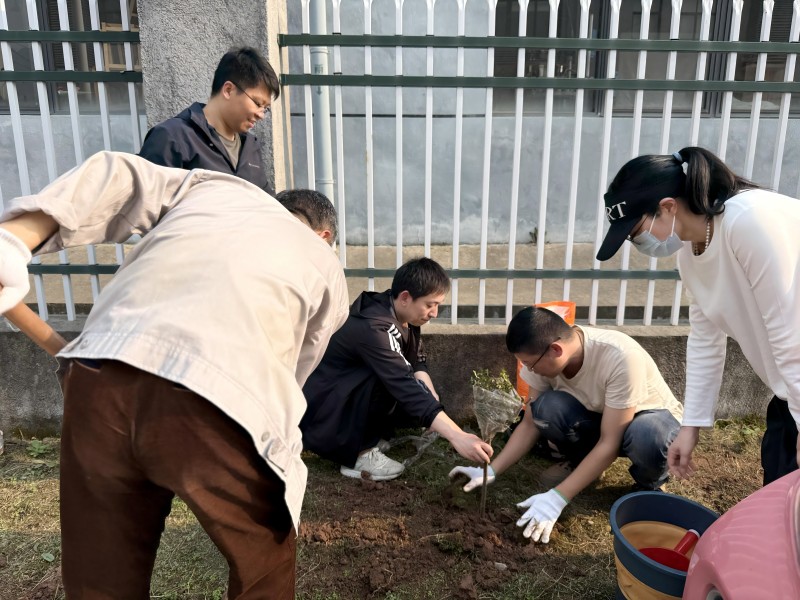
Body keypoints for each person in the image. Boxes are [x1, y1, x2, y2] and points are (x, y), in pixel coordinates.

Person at [0, 152, 349, 599]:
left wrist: (15, 239)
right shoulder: (324, 264)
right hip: (226, 397)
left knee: (100, 581)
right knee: (264, 566)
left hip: (100, 376)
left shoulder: (218, 190)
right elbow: (294, 372)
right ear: (325, 236)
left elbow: (121, 174)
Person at [596, 146, 800, 486]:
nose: (639, 244)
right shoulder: (691, 256)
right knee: (779, 498)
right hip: (789, 395)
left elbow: (789, 332)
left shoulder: (749, 221)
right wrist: (691, 425)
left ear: (667, 206)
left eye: (636, 233)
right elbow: (705, 341)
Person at [449, 307, 683, 544]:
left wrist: (558, 498)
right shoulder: (544, 356)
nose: (529, 370)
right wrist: (491, 471)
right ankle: (583, 464)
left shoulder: (620, 356)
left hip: (645, 419)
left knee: (648, 437)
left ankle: (649, 484)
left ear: (555, 350)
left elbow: (610, 441)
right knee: (545, 408)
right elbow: (530, 422)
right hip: (598, 418)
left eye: (530, 364)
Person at [300, 257, 493, 481]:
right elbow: (404, 383)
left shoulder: (402, 314)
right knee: (389, 380)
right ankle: (357, 455)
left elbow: (415, 359)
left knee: (411, 386)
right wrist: (457, 436)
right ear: (405, 297)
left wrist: (430, 394)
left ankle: (367, 439)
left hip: (343, 399)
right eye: (430, 304)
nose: (434, 313)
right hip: (326, 411)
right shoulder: (374, 328)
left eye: (438, 305)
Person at [138, 46, 280, 194]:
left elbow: (267, 203)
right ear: (228, 90)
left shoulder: (250, 148)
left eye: (265, 108)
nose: (261, 114)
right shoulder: (173, 138)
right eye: (257, 103)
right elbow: (148, 205)